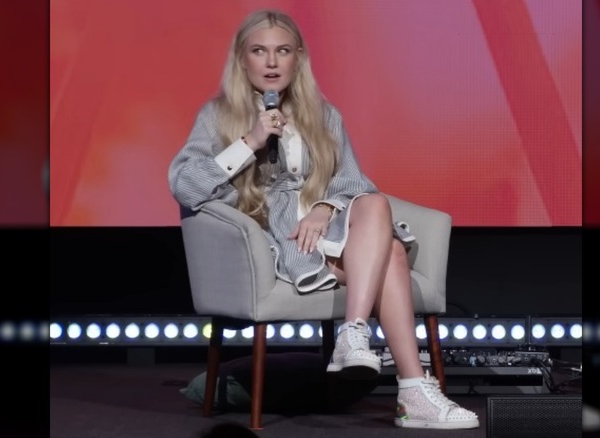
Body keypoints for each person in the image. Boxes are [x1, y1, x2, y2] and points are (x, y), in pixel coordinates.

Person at [168, 9, 478, 430]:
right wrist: (251, 141)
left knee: (375, 203)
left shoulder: (323, 114)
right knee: (391, 252)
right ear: (243, 60)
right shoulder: (217, 115)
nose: (272, 62)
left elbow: (353, 180)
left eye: (283, 51)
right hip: (276, 240)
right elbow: (185, 185)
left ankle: (355, 337)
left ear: (299, 58)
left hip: (327, 228)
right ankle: (412, 390)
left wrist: (324, 208)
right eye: (260, 51)